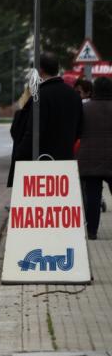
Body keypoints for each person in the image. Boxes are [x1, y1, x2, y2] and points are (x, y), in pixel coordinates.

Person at [14, 53, 83, 162]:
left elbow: (33, 132)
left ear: (40, 70)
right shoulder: (74, 95)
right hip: (66, 160)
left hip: (42, 161)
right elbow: (80, 129)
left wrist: (19, 153)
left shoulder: (39, 96)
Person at [77, 77, 112, 240]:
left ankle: (92, 232)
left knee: (92, 196)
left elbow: (77, 131)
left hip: (90, 159)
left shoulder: (84, 108)